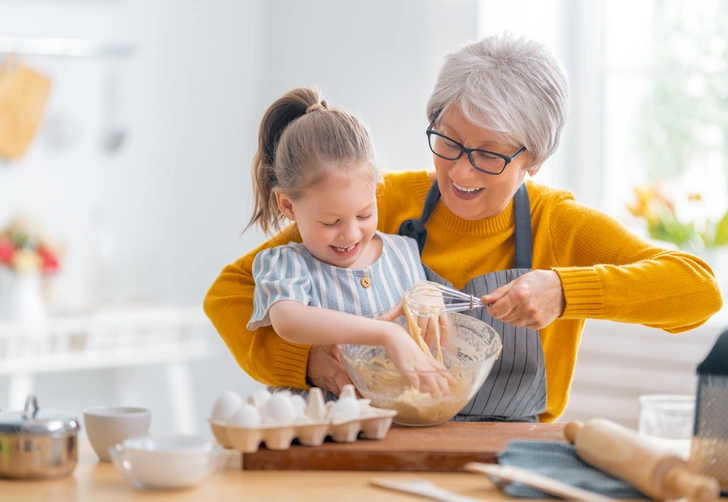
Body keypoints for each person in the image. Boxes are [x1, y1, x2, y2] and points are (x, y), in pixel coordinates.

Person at [205, 34, 723, 423]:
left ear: (535, 160)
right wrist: (309, 362)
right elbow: (229, 294)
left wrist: (567, 290)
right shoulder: (381, 204)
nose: (460, 171)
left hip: (510, 454)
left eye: (489, 155)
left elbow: (698, 290)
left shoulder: (558, 226)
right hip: (377, 438)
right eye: (448, 142)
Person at [241, 87, 452, 399]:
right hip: (313, 436)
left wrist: (429, 296)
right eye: (331, 222)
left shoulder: (405, 253)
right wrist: (386, 334)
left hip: (395, 431)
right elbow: (290, 321)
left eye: (365, 214)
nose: (351, 234)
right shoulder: (284, 265)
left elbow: (431, 330)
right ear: (288, 206)